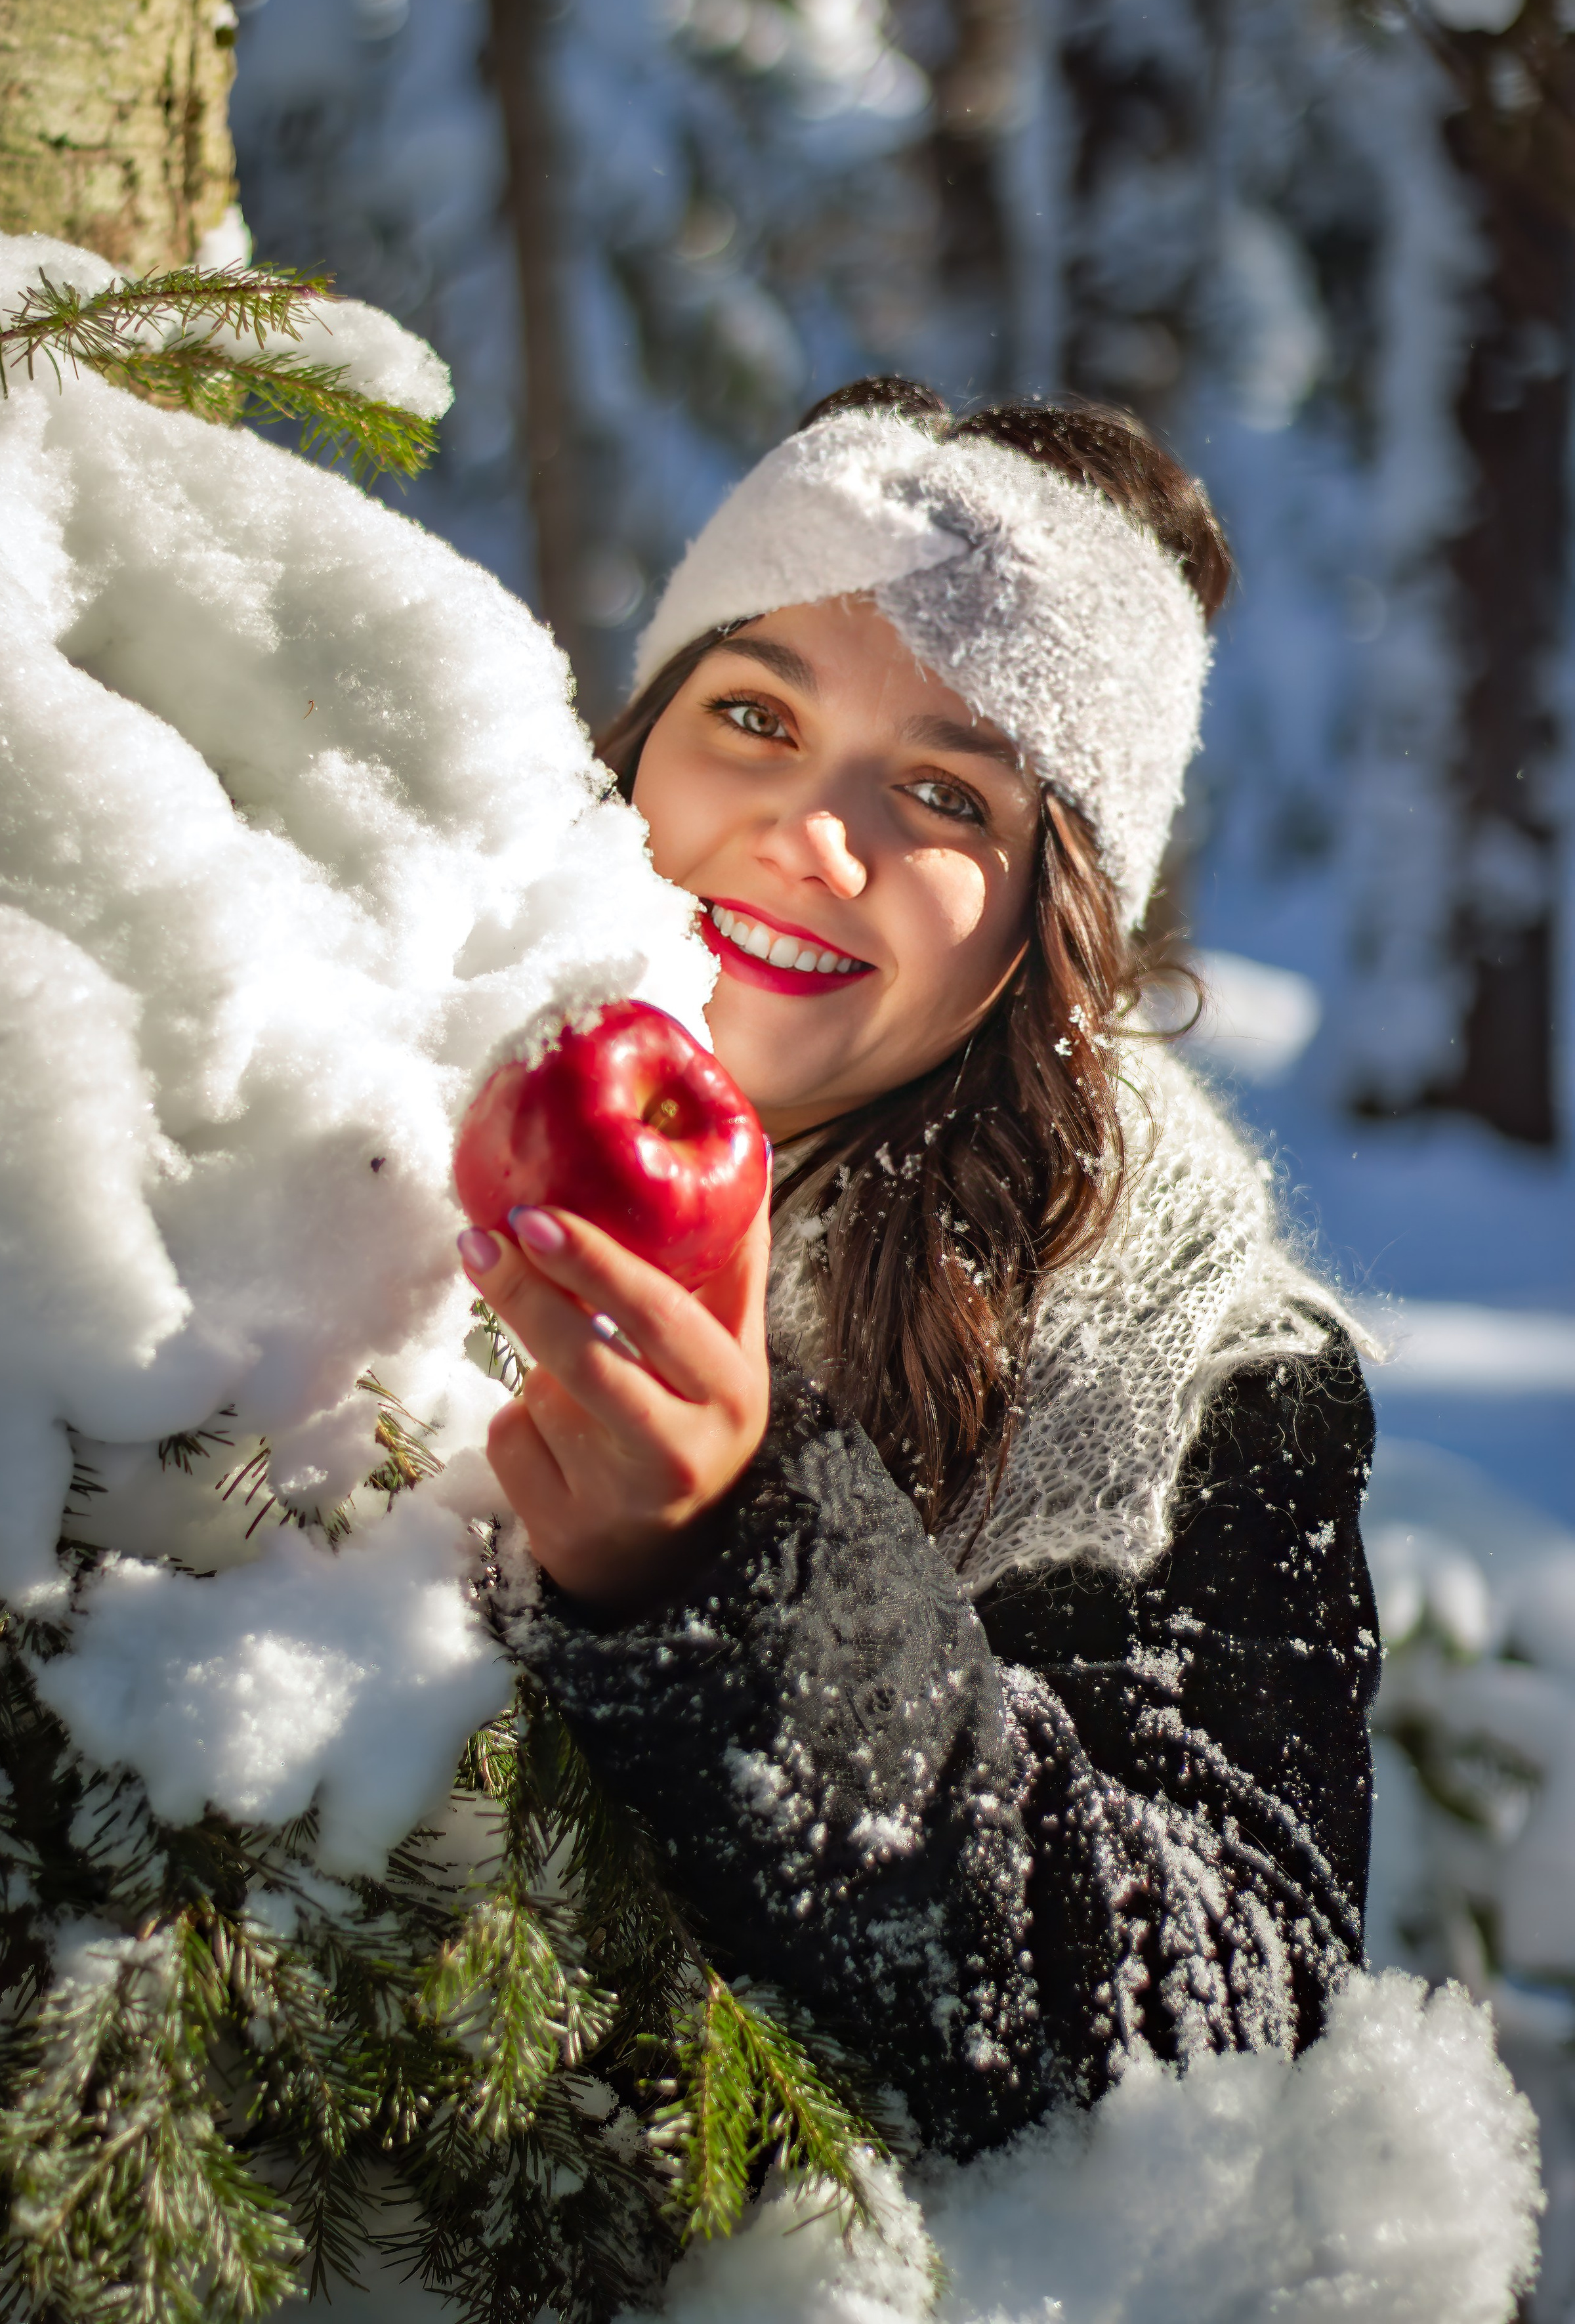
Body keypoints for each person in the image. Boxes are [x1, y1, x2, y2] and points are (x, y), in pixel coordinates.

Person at [454, 379, 1379, 2158]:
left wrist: (731, 1563)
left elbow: (1230, 2018)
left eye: (946, 793)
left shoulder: (1200, 1374)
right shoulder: (376, 1043)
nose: (813, 835)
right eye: (753, 712)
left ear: (1054, 912)